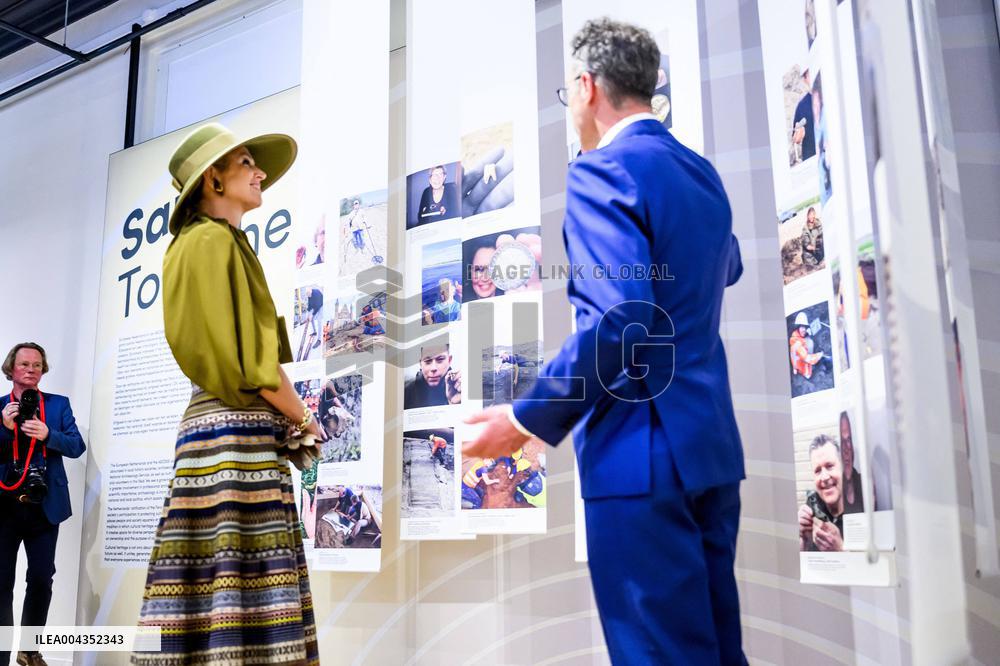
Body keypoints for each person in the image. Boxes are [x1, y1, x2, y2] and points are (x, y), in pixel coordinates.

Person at [463, 19, 746, 664]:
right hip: (709, 451)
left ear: (587, 87)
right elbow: (724, 266)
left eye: (569, 93)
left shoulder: (600, 173)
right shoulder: (699, 175)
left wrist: (522, 418)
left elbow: (622, 322)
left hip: (638, 455)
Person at [133, 122, 328, 665]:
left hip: (202, 430)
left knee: (206, 578)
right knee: (249, 580)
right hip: (238, 434)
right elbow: (258, 371)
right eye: (246, 163)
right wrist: (305, 418)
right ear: (212, 180)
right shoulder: (218, 242)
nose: (260, 171)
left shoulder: (187, 247)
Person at [0, 343, 86, 666]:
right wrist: (5, 431)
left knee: (40, 579)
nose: (32, 369)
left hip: (44, 506)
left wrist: (49, 434)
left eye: (37, 364)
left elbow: (77, 445)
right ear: (11, 369)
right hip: (5, 508)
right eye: (24, 363)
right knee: (1, 585)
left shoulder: (58, 405)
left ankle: (29, 650)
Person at [798, 435, 846, 552]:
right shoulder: (812, 506)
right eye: (818, 470)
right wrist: (803, 538)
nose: (824, 477)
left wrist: (841, 549)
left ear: (843, 467)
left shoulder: (860, 509)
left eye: (829, 466)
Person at [403, 344, 462, 409]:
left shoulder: (461, 387)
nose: (433, 368)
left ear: (449, 360)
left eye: (440, 359)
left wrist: (455, 404)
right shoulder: (405, 391)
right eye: (428, 361)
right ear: (420, 363)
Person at [839, 411, 864, 514]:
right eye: (842, 441)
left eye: (848, 440)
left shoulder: (865, 484)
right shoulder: (833, 490)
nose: (846, 448)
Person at [789, 311, 826, 379]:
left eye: (805, 327)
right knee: (809, 342)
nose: (804, 330)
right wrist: (820, 355)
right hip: (803, 372)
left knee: (809, 340)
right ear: (798, 327)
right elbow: (807, 359)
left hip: (798, 366)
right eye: (802, 327)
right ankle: (809, 374)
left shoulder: (796, 336)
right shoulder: (796, 343)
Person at [792, 66, 815, 163]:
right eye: (810, 74)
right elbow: (795, 138)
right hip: (811, 159)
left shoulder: (830, 97)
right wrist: (799, 135)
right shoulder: (801, 106)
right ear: (805, 79)